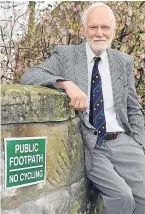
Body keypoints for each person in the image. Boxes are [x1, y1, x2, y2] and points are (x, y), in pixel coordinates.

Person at [20, 3, 145, 214]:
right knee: (122, 196)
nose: (99, 33)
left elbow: (133, 108)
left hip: (123, 141)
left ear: (113, 30)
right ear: (84, 29)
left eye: (105, 28)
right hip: (91, 144)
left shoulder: (123, 62)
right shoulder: (67, 56)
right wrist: (65, 84)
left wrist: (139, 143)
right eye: (93, 27)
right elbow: (29, 76)